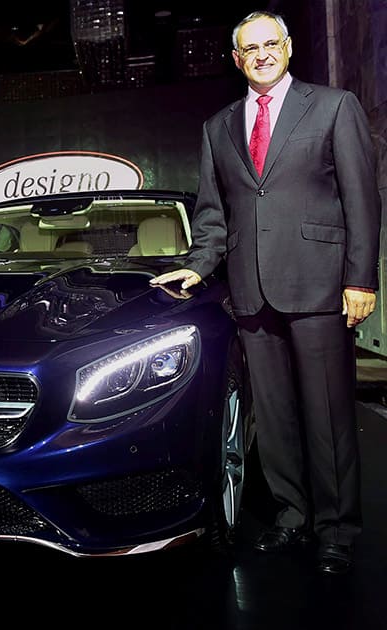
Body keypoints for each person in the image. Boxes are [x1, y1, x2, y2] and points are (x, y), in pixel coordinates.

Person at [150, 11, 381, 575]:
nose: (260, 54)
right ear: (236, 59)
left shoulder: (332, 106)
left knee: (327, 415)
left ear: (288, 47)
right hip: (252, 292)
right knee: (273, 418)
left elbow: (362, 200)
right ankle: (292, 515)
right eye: (249, 48)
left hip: (320, 285)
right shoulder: (218, 127)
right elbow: (213, 218)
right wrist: (198, 269)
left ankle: (336, 528)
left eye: (269, 44)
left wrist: (360, 278)